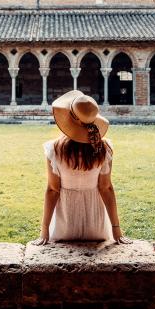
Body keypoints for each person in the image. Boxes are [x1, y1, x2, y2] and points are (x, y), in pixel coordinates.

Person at [31, 90, 132, 245]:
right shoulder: (104, 149)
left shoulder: (54, 149)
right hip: (96, 224)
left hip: (64, 224)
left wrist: (44, 229)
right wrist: (116, 229)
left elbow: (53, 189)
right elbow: (106, 188)